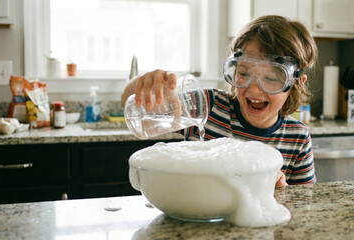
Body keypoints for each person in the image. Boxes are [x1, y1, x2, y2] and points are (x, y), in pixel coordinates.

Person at [121, 15, 318, 188]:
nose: (254, 88)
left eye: (272, 79)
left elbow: (304, 205)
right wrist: (144, 84)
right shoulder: (209, 106)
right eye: (244, 73)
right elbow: (129, 103)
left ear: (296, 83)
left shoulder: (297, 138)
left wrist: (281, 191)